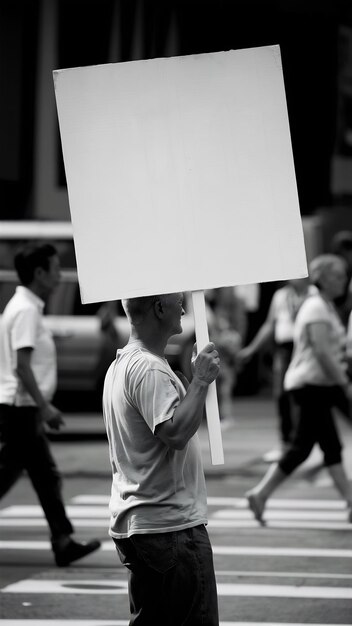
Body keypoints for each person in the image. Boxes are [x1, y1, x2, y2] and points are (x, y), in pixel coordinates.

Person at [103, 292, 220, 626]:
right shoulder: (149, 369)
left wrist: (192, 390)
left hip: (143, 524)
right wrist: (200, 381)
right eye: (178, 301)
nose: (184, 308)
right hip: (169, 527)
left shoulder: (124, 363)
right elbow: (175, 434)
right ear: (158, 308)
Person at [0, 243, 101, 566]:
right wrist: (44, 406)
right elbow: (21, 366)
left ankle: (62, 539)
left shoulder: (25, 307)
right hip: (21, 407)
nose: (60, 275)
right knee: (42, 475)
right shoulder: (26, 310)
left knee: (37, 475)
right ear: (39, 273)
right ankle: (62, 540)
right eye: (56, 269)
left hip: (21, 407)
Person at [245, 255, 352, 525]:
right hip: (311, 385)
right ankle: (260, 493)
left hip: (318, 384)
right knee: (309, 447)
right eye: (338, 276)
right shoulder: (316, 306)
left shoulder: (323, 304)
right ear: (324, 279)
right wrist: (345, 384)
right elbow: (322, 351)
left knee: (318, 446)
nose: (344, 280)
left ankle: (261, 493)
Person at [238, 278, 311, 461]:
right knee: (282, 396)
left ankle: (302, 443)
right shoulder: (281, 295)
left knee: (304, 396)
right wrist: (252, 349)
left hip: (306, 348)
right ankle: (285, 442)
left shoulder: (313, 294)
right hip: (284, 350)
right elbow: (269, 325)